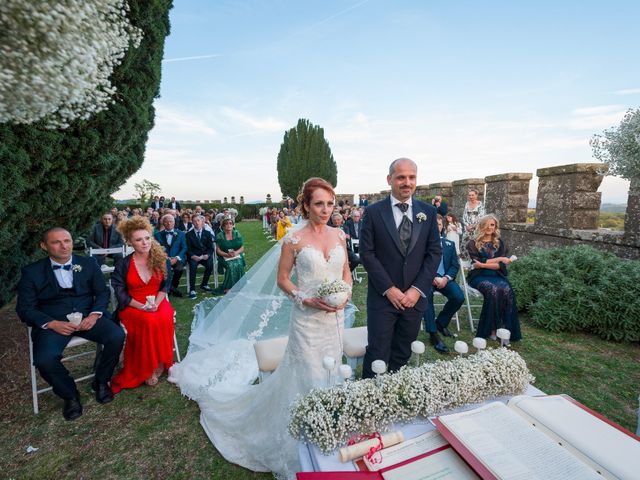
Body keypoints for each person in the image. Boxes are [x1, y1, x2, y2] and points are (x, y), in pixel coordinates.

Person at [172, 177, 351, 478]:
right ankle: (305, 441)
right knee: (308, 374)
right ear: (305, 205)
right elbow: (283, 279)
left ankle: (327, 429)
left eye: (330, 203)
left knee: (331, 372)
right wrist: (304, 298)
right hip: (307, 320)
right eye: (319, 203)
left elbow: (345, 272)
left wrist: (344, 295)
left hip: (333, 321)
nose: (325, 209)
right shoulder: (294, 239)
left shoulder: (340, 235)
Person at [16, 228, 125, 420]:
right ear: (44, 246)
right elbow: (25, 308)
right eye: (56, 242)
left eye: (67, 240)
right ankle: (70, 395)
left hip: (87, 317)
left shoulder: (88, 263)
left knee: (116, 336)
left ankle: (101, 381)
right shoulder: (31, 272)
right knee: (44, 359)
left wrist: (94, 315)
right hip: (54, 322)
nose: (64, 246)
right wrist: (51, 323)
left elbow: (102, 293)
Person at [360, 158, 442, 378]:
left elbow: (434, 253)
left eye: (412, 177)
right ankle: (368, 402)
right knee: (377, 353)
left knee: (402, 352)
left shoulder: (428, 212)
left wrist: (416, 290)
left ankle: (395, 399)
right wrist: (389, 288)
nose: (407, 182)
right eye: (401, 177)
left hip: (414, 300)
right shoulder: (373, 212)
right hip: (383, 297)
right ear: (390, 179)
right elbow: (367, 254)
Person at [110, 217, 175, 391]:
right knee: (148, 321)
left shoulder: (161, 259)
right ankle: (147, 366)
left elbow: (165, 286)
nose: (145, 243)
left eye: (147, 238)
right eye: (139, 240)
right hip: (133, 304)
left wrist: (156, 304)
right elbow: (120, 293)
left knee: (163, 317)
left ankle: (161, 361)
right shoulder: (123, 264)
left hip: (158, 300)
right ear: (130, 242)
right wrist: (142, 306)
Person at [466, 214, 521, 343]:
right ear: (481, 226)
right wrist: (499, 259)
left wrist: (485, 264)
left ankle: (505, 329)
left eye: (492, 225)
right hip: (479, 276)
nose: (489, 227)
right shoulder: (473, 243)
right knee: (492, 289)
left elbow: (498, 266)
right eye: (486, 224)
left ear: (495, 227)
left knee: (507, 289)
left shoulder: (499, 243)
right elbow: (476, 263)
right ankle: (491, 330)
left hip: (496, 274)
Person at [423, 215, 465, 353]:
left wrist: (446, 278)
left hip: (444, 279)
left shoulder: (449, 244)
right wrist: (432, 276)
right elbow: (418, 264)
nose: (437, 226)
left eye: (440, 224)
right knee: (426, 295)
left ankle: (441, 323)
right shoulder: (421, 244)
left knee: (458, 297)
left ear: (443, 227)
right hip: (427, 279)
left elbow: (454, 265)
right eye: (434, 224)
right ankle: (433, 333)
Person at [155, 214, 187, 297]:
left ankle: (172, 287)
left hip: (178, 258)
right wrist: (166, 258)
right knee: (164, 271)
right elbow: (157, 249)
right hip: (164, 258)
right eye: (166, 222)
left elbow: (184, 248)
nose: (169, 224)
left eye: (171, 222)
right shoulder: (157, 235)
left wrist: (176, 258)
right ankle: (172, 289)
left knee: (179, 269)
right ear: (163, 223)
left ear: (174, 222)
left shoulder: (181, 234)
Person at [185, 215, 215, 299]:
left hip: (204, 256)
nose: (197, 222)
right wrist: (192, 256)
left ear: (202, 222)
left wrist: (207, 255)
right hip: (194, 256)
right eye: (194, 221)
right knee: (193, 266)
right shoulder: (188, 235)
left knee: (210, 265)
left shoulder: (207, 233)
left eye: (198, 220)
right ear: (192, 223)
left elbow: (210, 248)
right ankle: (192, 289)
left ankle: (204, 284)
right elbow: (187, 248)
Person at [215, 216, 246, 293]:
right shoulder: (219, 235)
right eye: (226, 224)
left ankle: (240, 285)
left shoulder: (237, 234)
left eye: (230, 223)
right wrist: (226, 254)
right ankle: (228, 287)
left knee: (239, 263)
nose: (229, 225)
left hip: (237, 255)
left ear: (233, 225)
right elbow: (218, 250)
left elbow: (242, 248)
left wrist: (236, 253)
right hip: (224, 256)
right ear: (223, 226)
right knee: (231, 265)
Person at [461, 189, 486, 258]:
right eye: (469, 195)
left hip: (477, 229)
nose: (471, 197)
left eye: (472, 195)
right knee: (465, 244)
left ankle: (476, 261)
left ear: (476, 195)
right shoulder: (467, 204)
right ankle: (465, 263)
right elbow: (464, 216)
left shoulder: (480, 204)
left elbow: (482, 217)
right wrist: (467, 226)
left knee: (476, 244)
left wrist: (473, 226)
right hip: (468, 229)